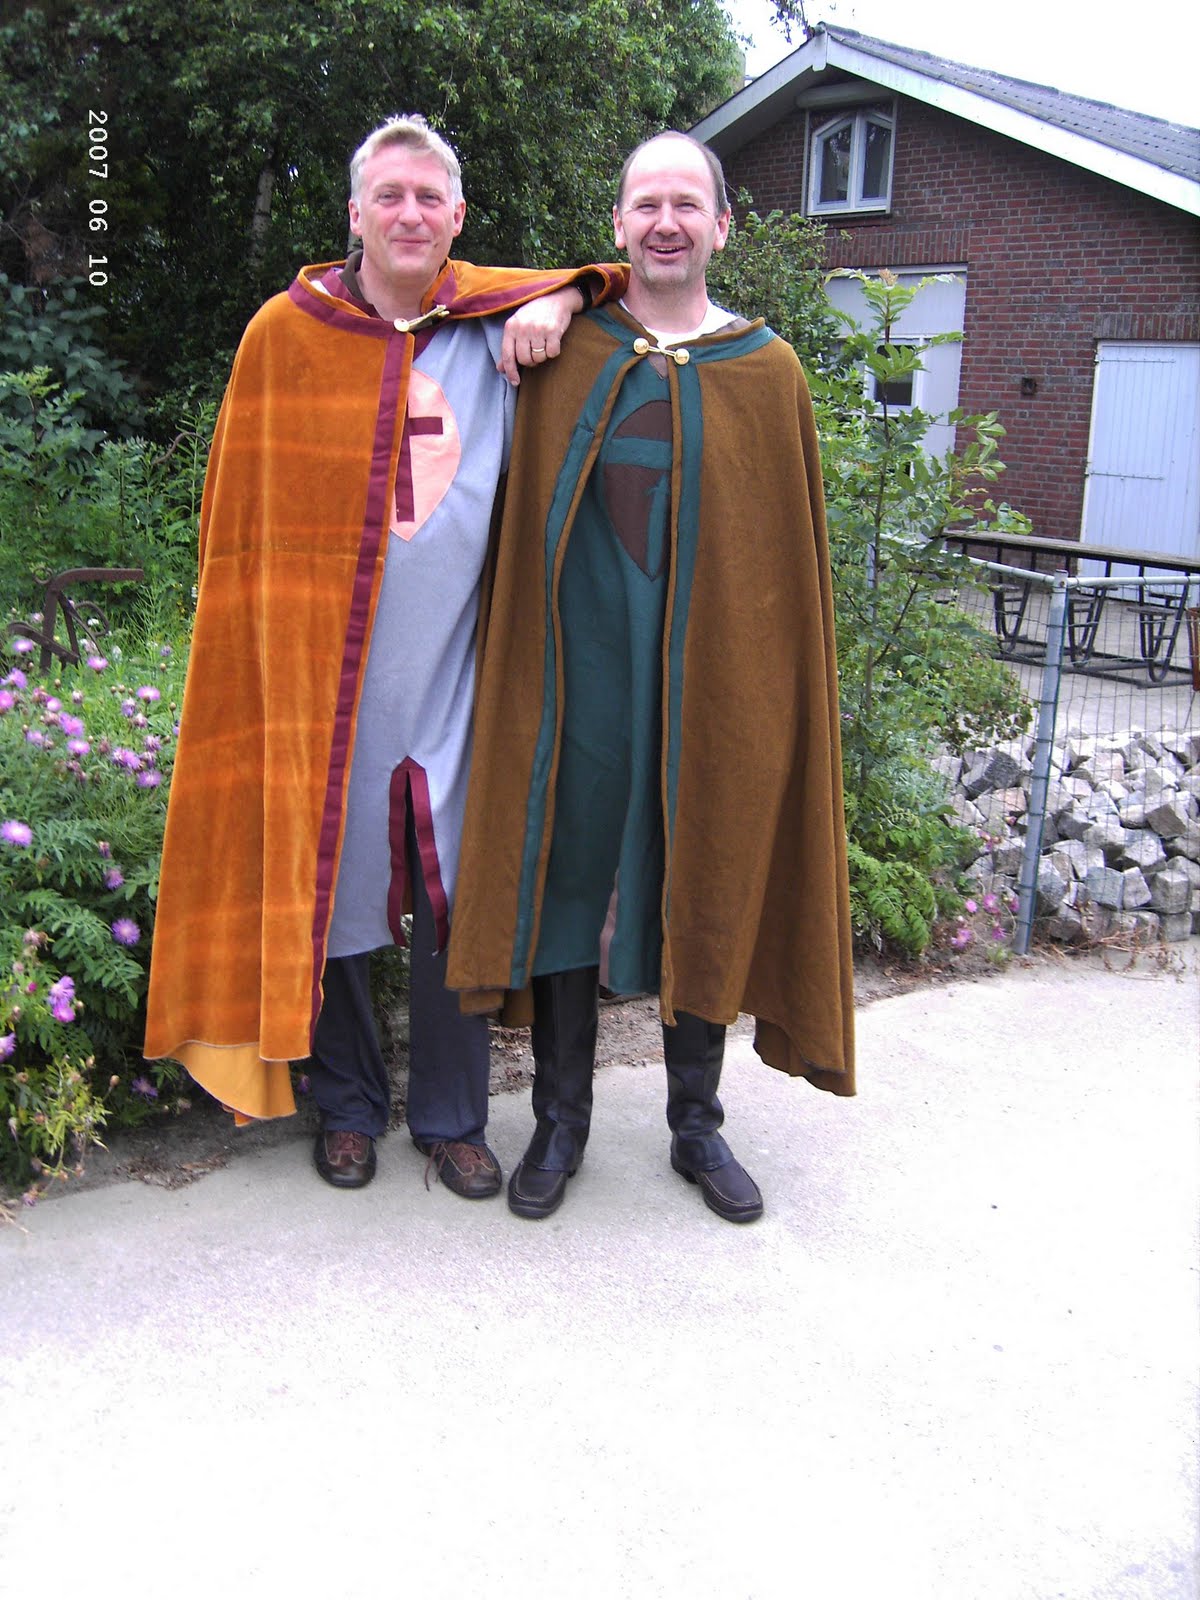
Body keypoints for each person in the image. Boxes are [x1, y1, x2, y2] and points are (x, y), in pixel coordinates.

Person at [143, 115, 625, 1195]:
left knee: (457, 895)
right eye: (390, 196)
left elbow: (624, 282)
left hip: (457, 679)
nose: (410, 213)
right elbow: (239, 529)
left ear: (458, 217)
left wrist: (559, 300)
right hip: (325, 684)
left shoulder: (498, 325)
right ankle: (349, 1105)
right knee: (330, 892)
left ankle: (452, 1120)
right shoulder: (286, 336)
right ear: (355, 213)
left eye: (429, 197)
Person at [446, 131, 855, 1224]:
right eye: (645, 204)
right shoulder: (561, 347)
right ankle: (560, 1123)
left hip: (714, 685)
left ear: (722, 226)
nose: (665, 222)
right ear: (619, 225)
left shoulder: (767, 374)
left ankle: (696, 1125)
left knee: (704, 864)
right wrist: (564, 294)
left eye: (687, 203)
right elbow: (434, 293)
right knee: (568, 880)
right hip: (577, 681)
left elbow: (784, 572)